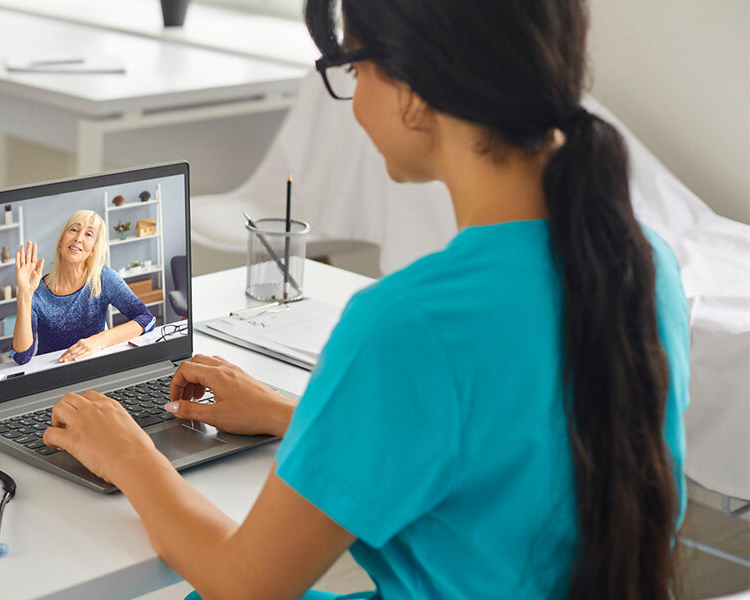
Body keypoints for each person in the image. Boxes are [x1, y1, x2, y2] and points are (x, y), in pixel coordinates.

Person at [42, 0, 689, 598]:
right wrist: (289, 414)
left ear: (413, 90)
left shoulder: (410, 321)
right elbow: (507, 451)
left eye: (353, 68)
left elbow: (246, 585)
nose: (351, 103)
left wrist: (131, 456)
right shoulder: (643, 261)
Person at [11, 210, 155, 365]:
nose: (78, 239)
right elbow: (22, 357)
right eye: (74, 230)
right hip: (53, 374)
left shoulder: (103, 278)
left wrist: (99, 340)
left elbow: (146, 319)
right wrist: (24, 296)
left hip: (96, 368)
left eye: (89, 234)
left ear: (93, 249)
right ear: (61, 240)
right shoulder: (37, 292)